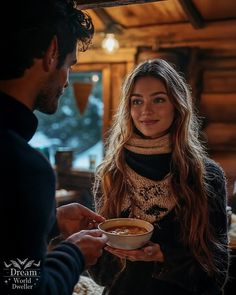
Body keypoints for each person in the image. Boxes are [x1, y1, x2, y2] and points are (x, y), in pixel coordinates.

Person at [88, 59, 229, 294]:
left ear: (177, 105)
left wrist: (164, 255)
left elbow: (217, 269)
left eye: (159, 99)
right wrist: (93, 242)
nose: (146, 111)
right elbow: (103, 276)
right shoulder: (112, 173)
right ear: (128, 109)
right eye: (137, 101)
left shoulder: (206, 175)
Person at [0, 1, 108, 294]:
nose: (67, 80)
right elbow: (21, 286)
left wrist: (50, 222)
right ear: (51, 52)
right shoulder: (24, 169)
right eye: (70, 64)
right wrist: (74, 254)